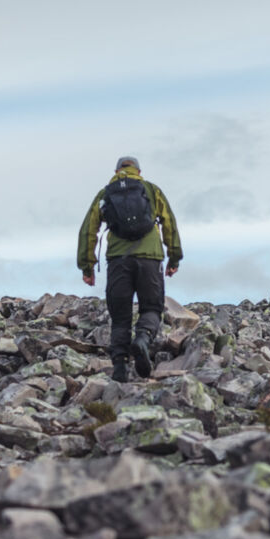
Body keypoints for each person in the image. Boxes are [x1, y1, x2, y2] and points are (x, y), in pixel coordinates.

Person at [77, 156, 181, 382]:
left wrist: (87, 266)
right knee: (152, 308)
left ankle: (120, 368)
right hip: (150, 258)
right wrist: (174, 258)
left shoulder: (106, 194)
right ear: (139, 172)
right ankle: (143, 338)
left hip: (118, 260)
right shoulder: (152, 190)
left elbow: (88, 230)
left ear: (116, 171)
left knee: (121, 316)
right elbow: (169, 224)